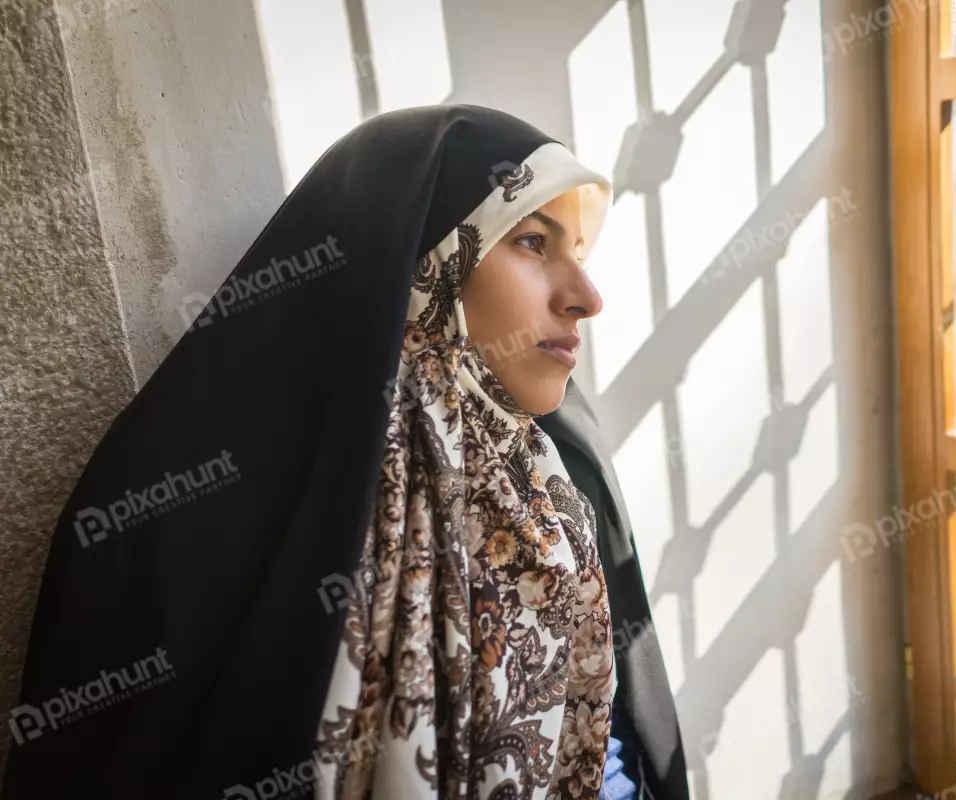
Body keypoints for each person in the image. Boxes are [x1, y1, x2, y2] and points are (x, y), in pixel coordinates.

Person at [0, 104, 687, 800]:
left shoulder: (561, 454)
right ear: (420, 258)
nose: (586, 297)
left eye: (581, 253)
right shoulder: (196, 490)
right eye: (533, 243)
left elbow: (624, 726)